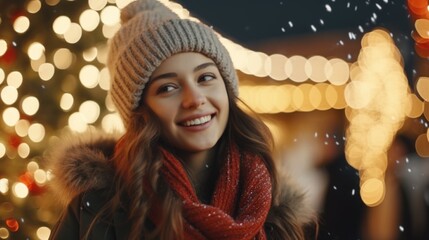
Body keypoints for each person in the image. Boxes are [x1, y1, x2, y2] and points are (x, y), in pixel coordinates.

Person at [46, 0, 314, 239]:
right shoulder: (96, 212)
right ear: (139, 112)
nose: (194, 99)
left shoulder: (274, 213)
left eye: (205, 78)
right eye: (167, 88)